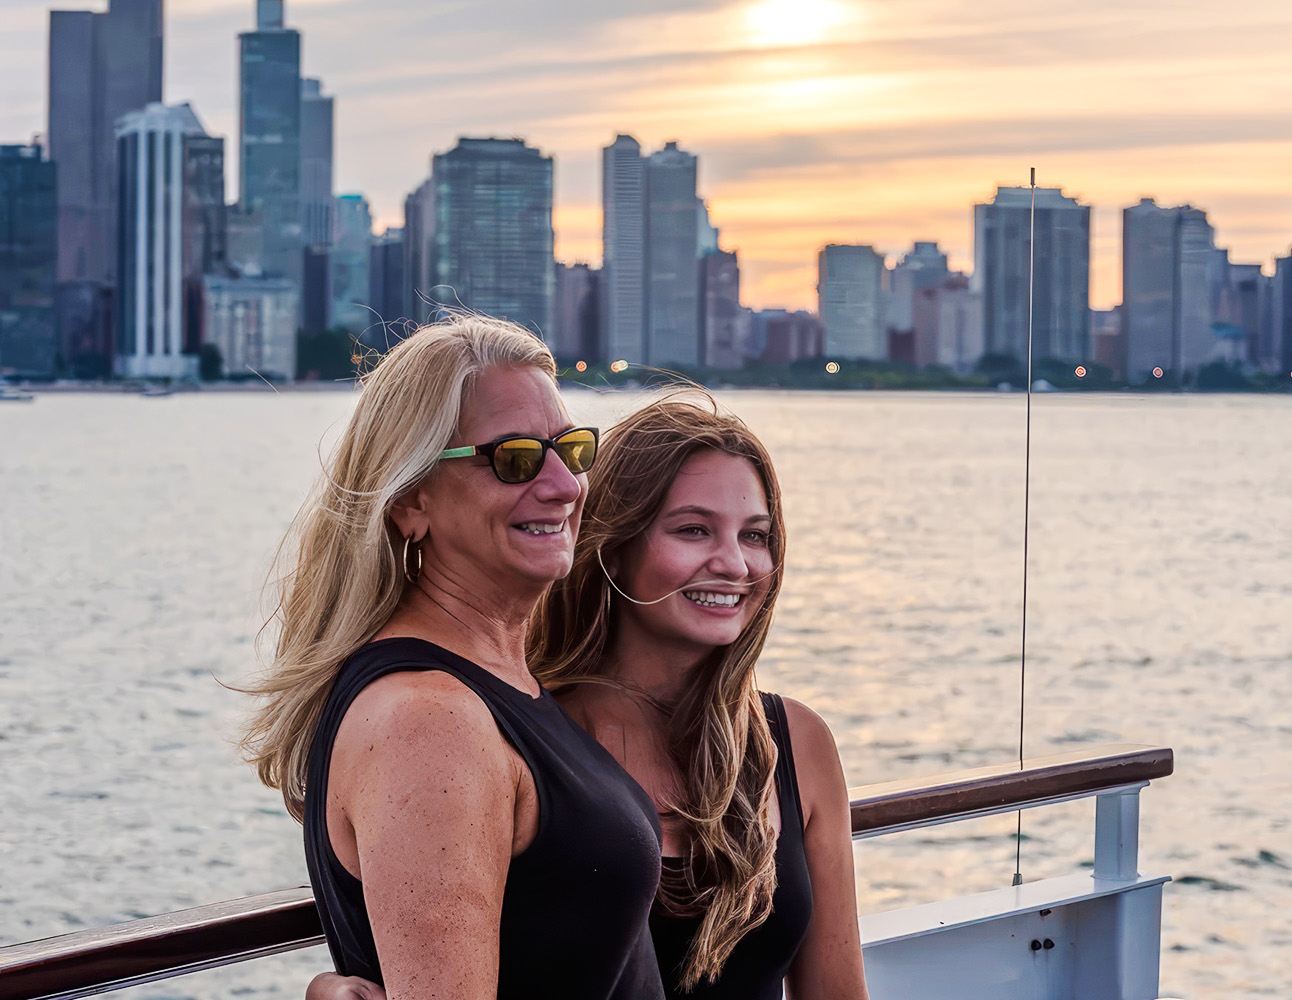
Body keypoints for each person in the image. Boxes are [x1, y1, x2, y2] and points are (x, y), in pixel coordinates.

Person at [310, 393, 870, 1000]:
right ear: (612, 544)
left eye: (756, 535)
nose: (734, 563)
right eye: (693, 530)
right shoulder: (525, 745)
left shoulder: (794, 743)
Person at [242, 316, 665, 1000]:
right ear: (411, 501)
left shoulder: (501, 680)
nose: (564, 485)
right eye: (516, 458)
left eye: (571, 449)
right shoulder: (427, 721)